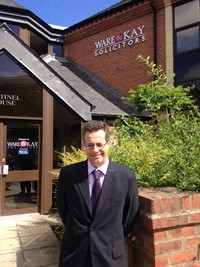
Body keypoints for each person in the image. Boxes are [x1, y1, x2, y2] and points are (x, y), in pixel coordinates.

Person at [56, 120, 139, 267]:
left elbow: (129, 217)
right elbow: (64, 210)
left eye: (99, 144)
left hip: (110, 256)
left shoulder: (126, 177)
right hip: (75, 255)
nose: (95, 150)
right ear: (84, 146)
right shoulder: (68, 175)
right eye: (90, 145)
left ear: (108, 143)